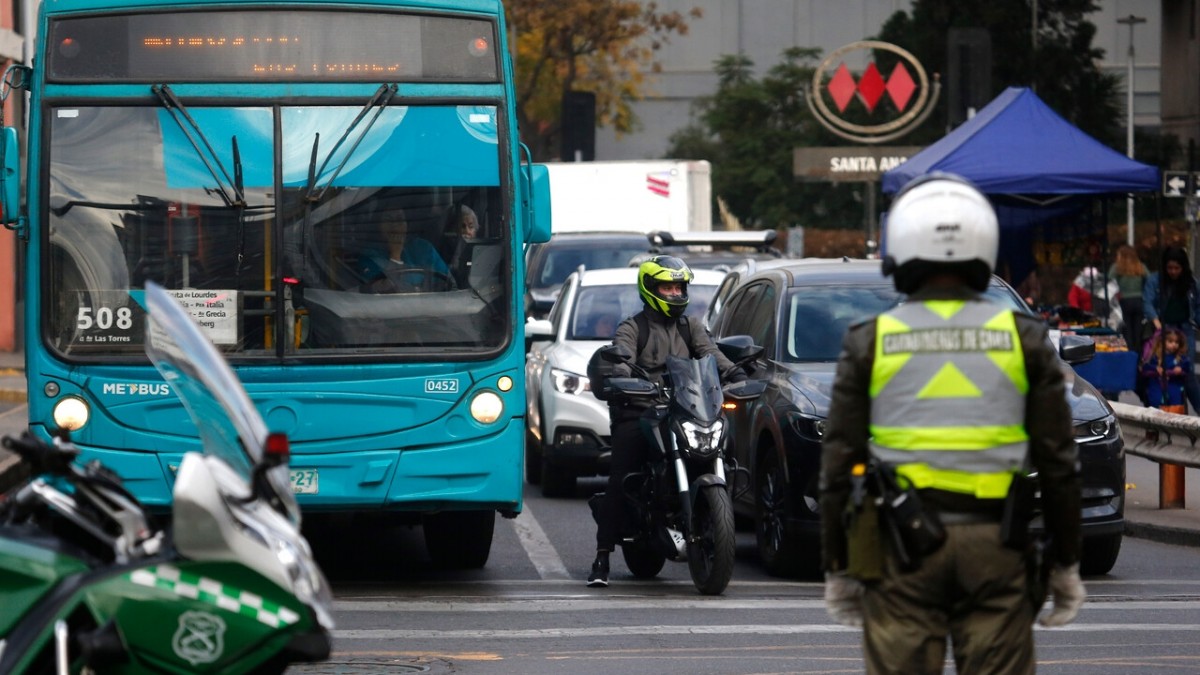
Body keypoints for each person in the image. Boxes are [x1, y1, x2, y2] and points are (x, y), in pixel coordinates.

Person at [819, 173, 1085, 674]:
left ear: (900, 249)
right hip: (998, 546)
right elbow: (1058, 463)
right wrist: (1067, 562)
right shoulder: (1022, 337)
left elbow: (839, 463)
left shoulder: (870, 339)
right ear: (983, 250)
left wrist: (840, 565)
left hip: (902, 550)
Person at [587, 255, 747, 587]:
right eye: (667, 287)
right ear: (650, 288)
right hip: (640, 407)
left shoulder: (691, 326)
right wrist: (621, 377)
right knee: (622, 472)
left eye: (678, 287)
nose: (674, 293)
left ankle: (708, 518)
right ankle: (601, 556)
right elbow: (622, 355)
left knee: (723, 447)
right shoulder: (633, 327)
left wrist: (735, 372)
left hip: (685, 405)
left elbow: (709, 354)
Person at [1142, 246, 1200, 414]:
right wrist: (1156, 321)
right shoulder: (1155, 280)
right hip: (1163, 330)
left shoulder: (1192, 284)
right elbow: (1147, 302)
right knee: (1159, 369)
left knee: (1185, 372)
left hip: (1184, 329)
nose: (1173, 272)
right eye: (1170, 268)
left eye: (1177, 268)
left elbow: (1197, 308)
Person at [358, 208, 453, 293]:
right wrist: (395, 255)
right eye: (389, 220)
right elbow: (381, 290)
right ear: (378, 225)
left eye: (399, 220)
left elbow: (448, 282)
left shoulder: (423, 247)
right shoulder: (369, 256)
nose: (394, 226)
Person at [1109, 244, 1149, 355]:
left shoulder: (1116, 267)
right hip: (1139, 301)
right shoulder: (1141, 267)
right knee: (1138, 331)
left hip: (1124, 302)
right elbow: (1149, 282)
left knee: (1127, 331)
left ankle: (1129, 355)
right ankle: (1139, 356)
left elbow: (1110, 282)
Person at [1141, 327, 1190, 415]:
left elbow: (1186, 367)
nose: (1174, 345)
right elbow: (1145, 367)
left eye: (1176, 342)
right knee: (1156, 405)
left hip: (1174, 386)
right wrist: (1155, 368)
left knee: (1175, 406)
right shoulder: (1155, 357)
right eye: (1170, 342)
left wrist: (1180, 369)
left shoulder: (1180, 358)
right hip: (1157, 387)